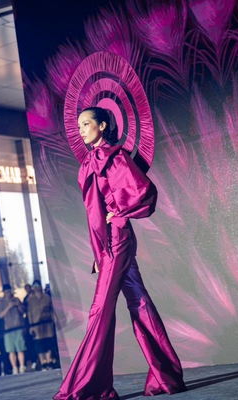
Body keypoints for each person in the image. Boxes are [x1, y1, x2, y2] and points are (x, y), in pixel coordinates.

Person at [53, 107, 186, 399]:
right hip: (108, 243)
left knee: (100, 309)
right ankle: (167, 376)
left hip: (117, 240)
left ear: (102, 126)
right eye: (79, 125)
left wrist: (120, 213)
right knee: (139, 302)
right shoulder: (90, 162)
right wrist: (99, 249)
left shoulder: (115, 156)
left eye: (86, 124)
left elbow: (144, 191)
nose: (81, 130)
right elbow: (94, 212)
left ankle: (87, 386)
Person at [0, 284, 27, 375]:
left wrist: (18, 305)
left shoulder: (16, 299)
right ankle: (14, 368)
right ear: (3, 292)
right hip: (7, 330)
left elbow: (23, 312)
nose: (8, 293)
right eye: (6, 292)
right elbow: (0, 315)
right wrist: (9, 307)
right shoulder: (1, 302)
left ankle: (22, 366)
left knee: (20, 348)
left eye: (9, 291)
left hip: (18, 327)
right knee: (11, 350)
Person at [26, 280, 55, 370]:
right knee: (39, 345)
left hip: (47, 324)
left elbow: (52, 309)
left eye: (37, 285)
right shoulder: (30, 300)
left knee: (48, 343)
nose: (36, 287)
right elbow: (29, 314)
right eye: (34, 286)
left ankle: (49, 361)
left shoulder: (47, 297)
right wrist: (31, 326)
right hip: (36, 325)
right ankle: (43, 363)